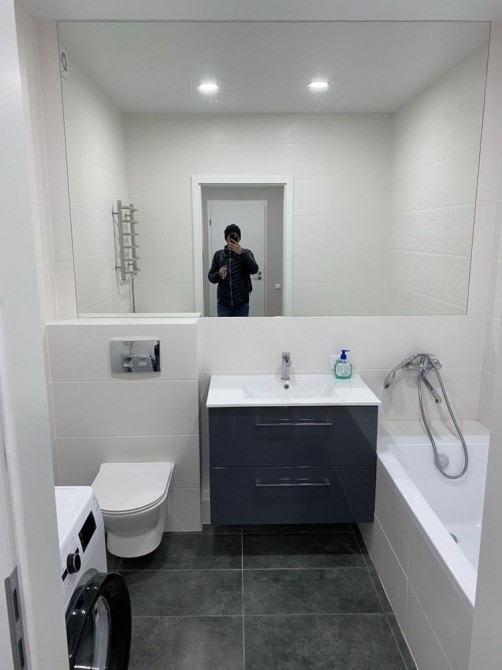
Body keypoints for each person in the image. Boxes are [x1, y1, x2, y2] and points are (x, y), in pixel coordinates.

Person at [208, 224, 259, 317]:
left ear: (239, 238)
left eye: (236, 235)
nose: (233, 238)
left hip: (242, 304)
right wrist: (219, 274)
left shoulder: (246, 253)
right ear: (226, 238)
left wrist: (241, 254)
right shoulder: (218, 255)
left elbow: (254, 269)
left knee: (241, 326)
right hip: (223, 304)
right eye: (231, 235)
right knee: (224, 326)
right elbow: (211, 277)